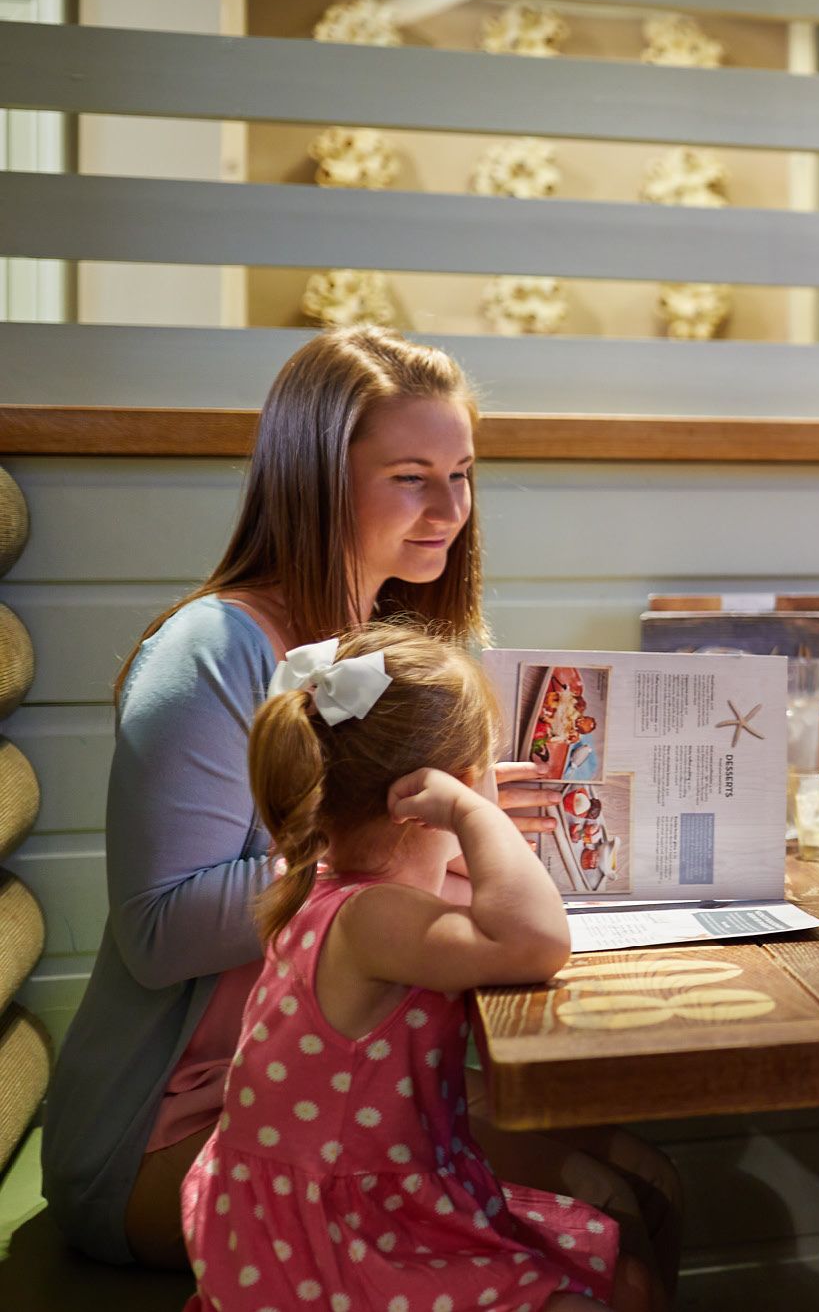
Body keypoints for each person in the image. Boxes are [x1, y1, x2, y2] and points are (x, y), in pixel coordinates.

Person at [43, 328, 680, 1279]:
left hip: (336, 1101)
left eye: (462, 474)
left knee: (644, 1176)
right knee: (615, 1201)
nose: (450, 510)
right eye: (411, 477)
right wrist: (403, 853)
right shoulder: (213, 649)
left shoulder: (399, 643)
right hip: (184, 1133)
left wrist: (471, 828)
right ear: (313, 477)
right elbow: (159, 930)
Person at [183, 621, 645, 1311]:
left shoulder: (323, 878)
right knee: (601, 1281)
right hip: (341, 1234)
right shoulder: (376, 921)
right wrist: (471, 814)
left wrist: (458, 822)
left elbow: (462, 895)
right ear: (436, 795)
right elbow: (537, 940)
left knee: (608, 1255)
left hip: (328, 1199)